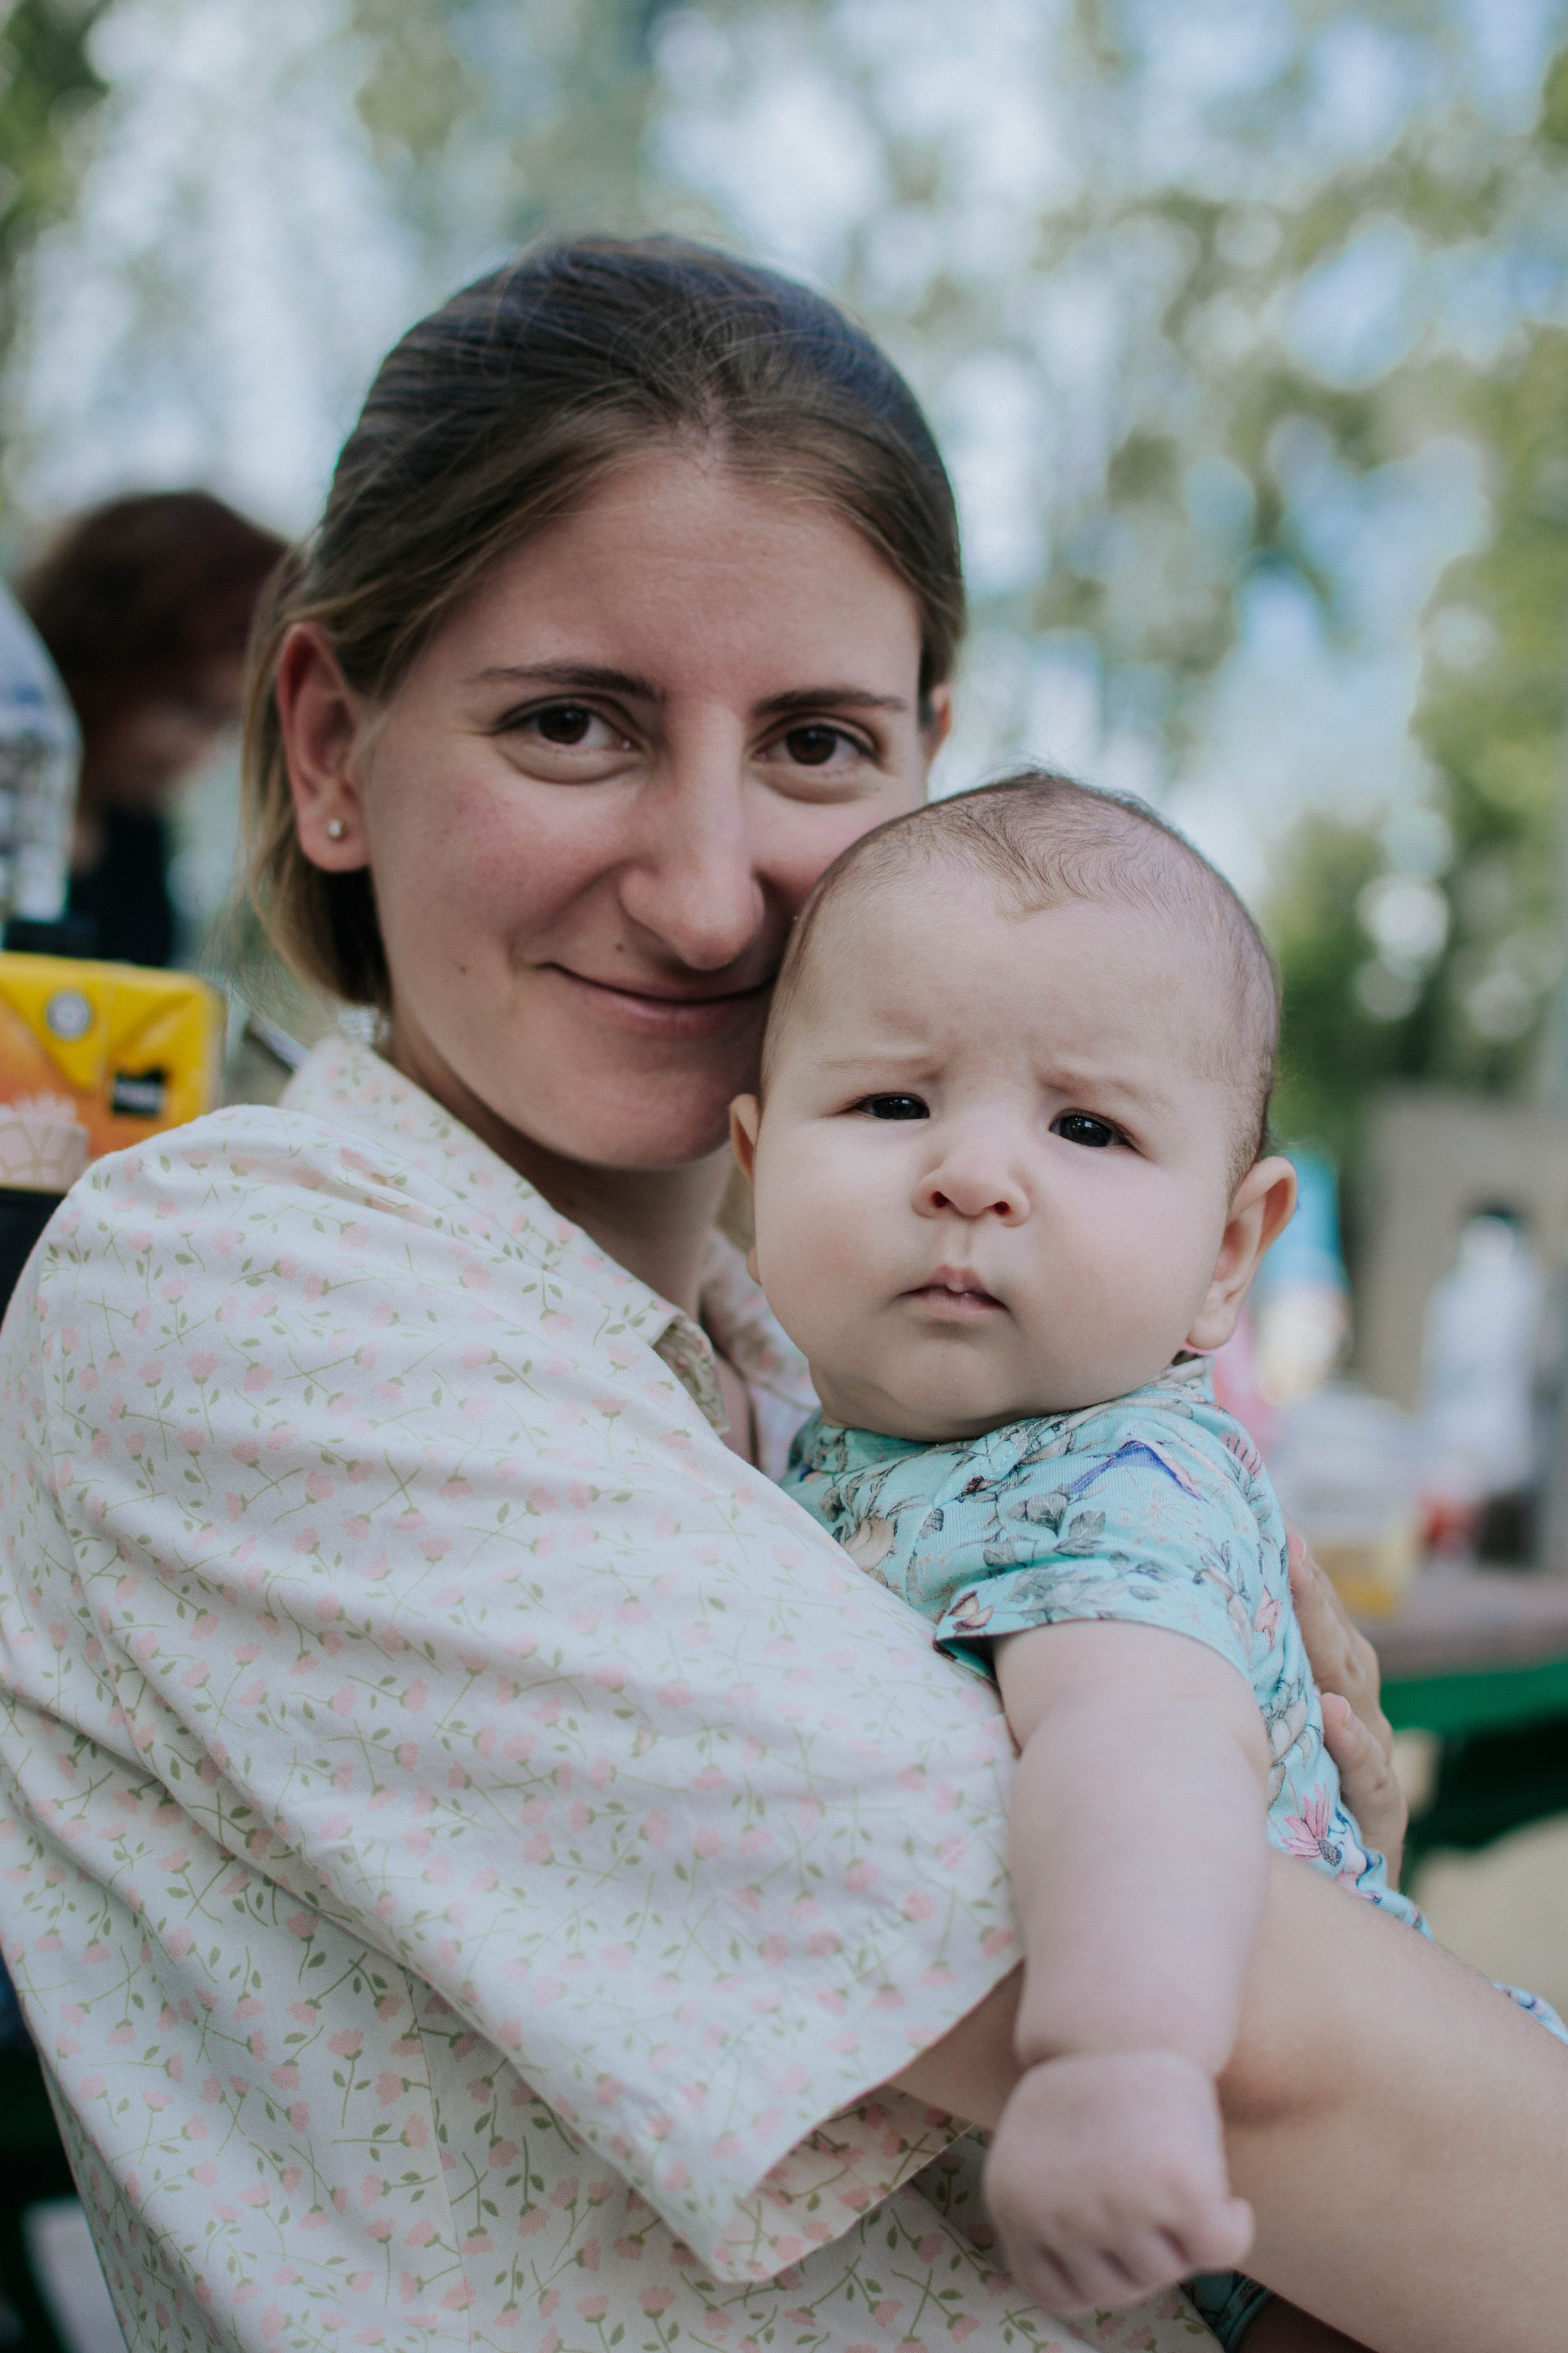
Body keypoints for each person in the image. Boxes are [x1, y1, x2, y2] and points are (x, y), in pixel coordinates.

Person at [0, 238, 1558, 2353]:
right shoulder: (243, 1290)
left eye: (818, 745)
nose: (712, 883)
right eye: (575, 723)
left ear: (931, 762)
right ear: (335, 747)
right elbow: (1271, 2060)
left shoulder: (822, 1395)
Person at [734, 772, 1568, 2347]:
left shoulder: (1108, 1470)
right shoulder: (842, 1443)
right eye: (893, 1102)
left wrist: (1113, 2064)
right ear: (752, 1160)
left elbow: (1141, 1758)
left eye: (1087, 1125)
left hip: (1317, 2211)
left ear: (1225, 1256)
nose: (973, 1172)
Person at [16, 491, 284, 964]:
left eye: (226, 726)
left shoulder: (138, 843)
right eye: (186, 705)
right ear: (107, 644)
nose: (195, 754)